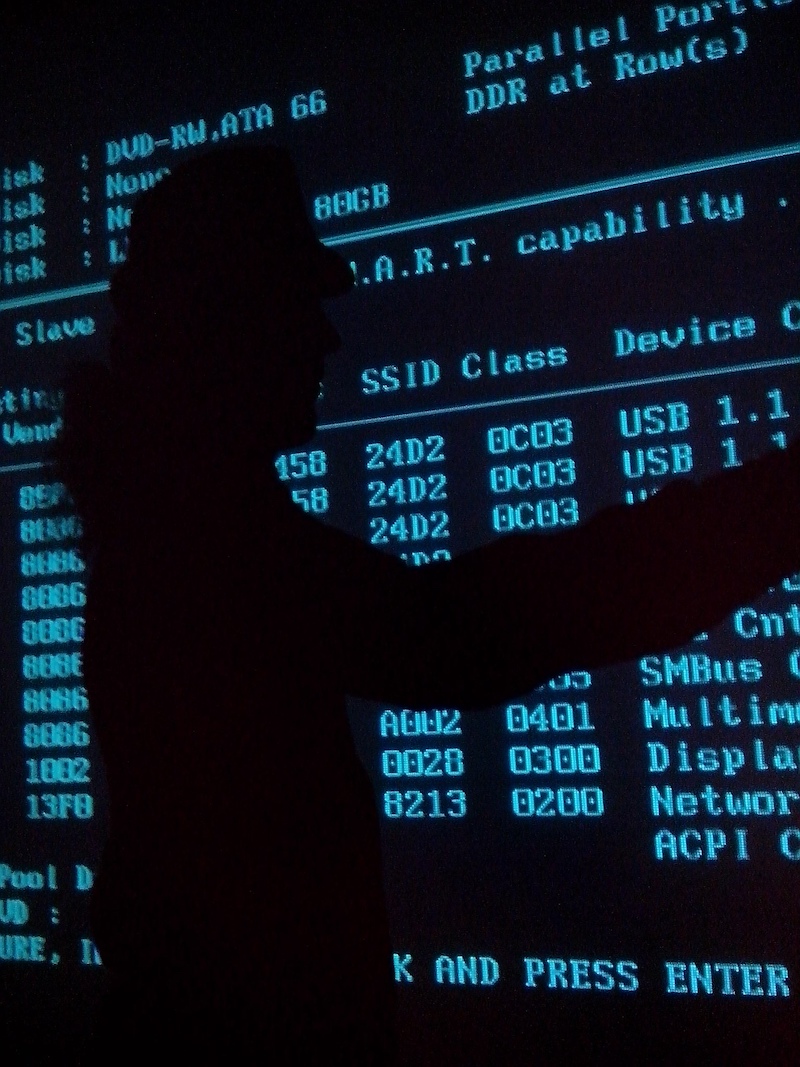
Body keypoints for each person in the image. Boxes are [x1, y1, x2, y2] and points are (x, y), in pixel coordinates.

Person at [59, 146, 800, 1064]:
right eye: (297, 302)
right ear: (224, 326)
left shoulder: (169, 528)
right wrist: (775, 508)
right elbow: (460, 632)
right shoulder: (210, 546)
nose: (326, 339)